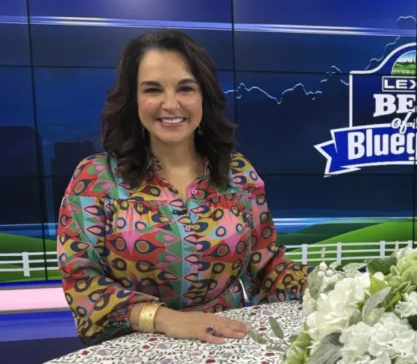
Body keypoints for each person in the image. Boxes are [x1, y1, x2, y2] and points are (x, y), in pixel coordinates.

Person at [56, 30, 310, 346]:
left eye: (185, 88)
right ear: (133, 99)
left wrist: (334, 287)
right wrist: (167, 319)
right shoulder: (95, 179)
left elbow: (266, 266)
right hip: (135, 346)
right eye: (153, 89)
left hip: (226, 341)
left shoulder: (239, 174)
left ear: (204, 96)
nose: (171, 104)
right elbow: (82, 281)